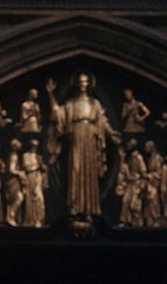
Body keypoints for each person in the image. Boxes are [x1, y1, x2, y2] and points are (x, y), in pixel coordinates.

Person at [46, 72, 120, 221]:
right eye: (80, 82)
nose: (83, 84)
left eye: (85, 82)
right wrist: (50, 94)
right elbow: (57, 114)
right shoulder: (71, 104)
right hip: (76, 138)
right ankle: (74, 206)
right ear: (76, 84)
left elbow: (102, 121)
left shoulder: (95, 104)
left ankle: (90, 208)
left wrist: (111, 133)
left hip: (90, 137)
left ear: (89, 84)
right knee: (76, 169)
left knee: (89, 171)